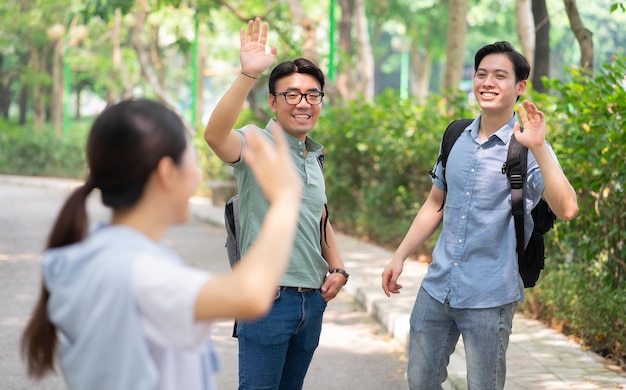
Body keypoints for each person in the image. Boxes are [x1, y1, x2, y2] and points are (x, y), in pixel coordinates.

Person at [21, 98, 304, 390]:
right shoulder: (140, 273)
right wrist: (285, 198)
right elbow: (250, 296)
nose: (197, 177)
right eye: (192, 159)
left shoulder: (88, 257)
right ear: (167, 172)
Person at [381, 41, 579, 389]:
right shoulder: (456, 135)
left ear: (520, 88)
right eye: (481, 74)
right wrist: (400, 256)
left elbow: (567, 208)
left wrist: (539, 147)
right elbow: (434, 204)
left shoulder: (528, 147)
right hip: (437, 287)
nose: (487, 82)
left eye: (500, 76)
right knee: (420, 382)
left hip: (490, 295)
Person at [203, 17, 348, 390]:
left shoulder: (313, 155)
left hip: (311, 300)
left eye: (313, 95)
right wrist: (246, 75)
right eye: (292, 95)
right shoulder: (254, 142)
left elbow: (319, 215)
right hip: (268, 299)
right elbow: (215, 136)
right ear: (273, 101)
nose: (304, 103)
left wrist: (338, 268)